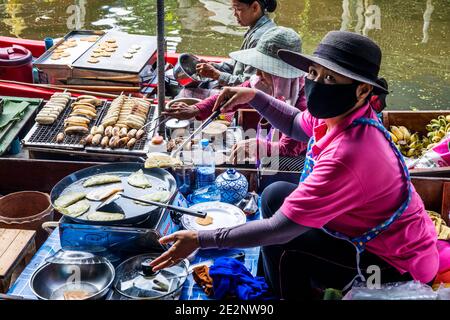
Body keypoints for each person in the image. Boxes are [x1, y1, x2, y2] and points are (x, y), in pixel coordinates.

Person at [151, 31, 439, 300]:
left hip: (390, 264)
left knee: (284, 244)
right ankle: (278, 278)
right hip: (366, 234)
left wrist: (201, 239)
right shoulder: (341, 115)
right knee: (275, 193)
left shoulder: (350, 155)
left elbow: (280, 229)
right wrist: (254, 96)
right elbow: (294, 124)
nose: (316, 82)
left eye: (330, 79)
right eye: (314, 73)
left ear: (362, 91)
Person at [165, 26, 308, 165]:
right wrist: (196, 109)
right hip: (270, 145)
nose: (257, 74)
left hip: (294, 162)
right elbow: (232, 95)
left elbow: (289, 148)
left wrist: (256, 146)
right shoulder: (262, 82)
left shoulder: (303, 102)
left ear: (280, 74)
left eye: (264, 69)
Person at [196, 0, 278, 87]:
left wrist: (216, 75)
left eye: (238, 9)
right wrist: (214, 66)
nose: (234, 14)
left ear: (255, 7)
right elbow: (237, 65)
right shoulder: (257, 28)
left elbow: (249, 84)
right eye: (233, 9)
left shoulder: (259, 39)